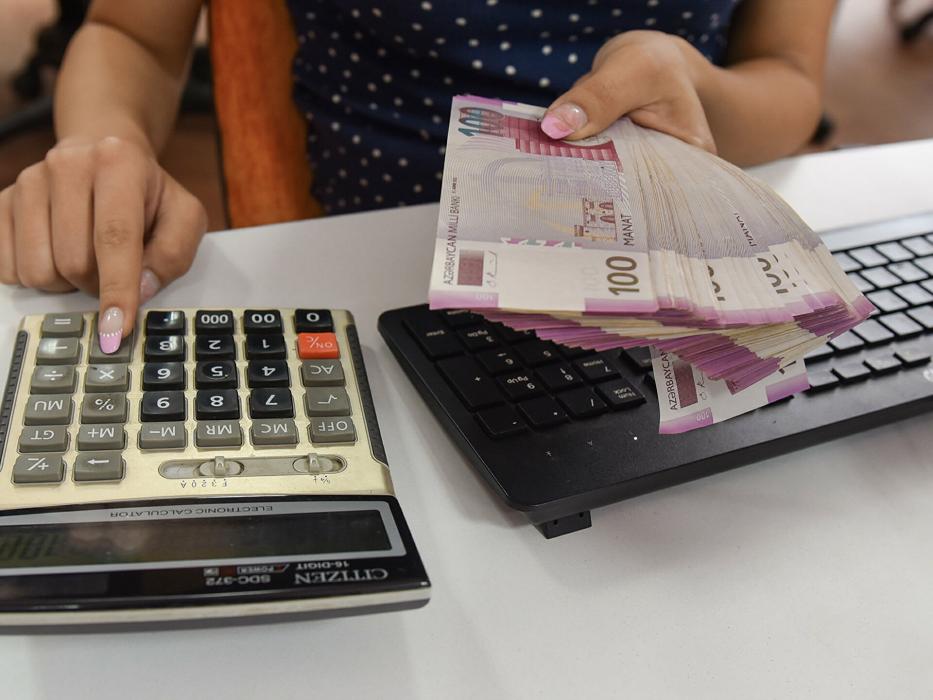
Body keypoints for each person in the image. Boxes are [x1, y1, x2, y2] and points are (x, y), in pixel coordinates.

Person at [0, 0, 836, 354]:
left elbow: (788, 76)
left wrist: (695, 87)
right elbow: (132, 33)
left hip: (682, 276)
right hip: (382, 291)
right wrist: (105, 141)